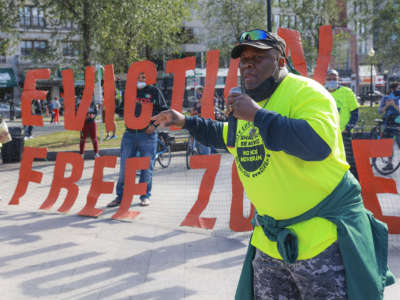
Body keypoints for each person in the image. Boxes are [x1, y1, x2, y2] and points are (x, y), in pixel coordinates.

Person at [152, 29, 394, 299]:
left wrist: (257, 115)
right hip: (270, 244)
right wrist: (184, 121)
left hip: (321, 241)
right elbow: (227, 136)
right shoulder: (248, 106)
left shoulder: (307, 93)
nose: (248, 64)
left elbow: (317, 145)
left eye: (258, 57)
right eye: (243, 59)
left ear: (280, 62)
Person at [107, 72, 168, 208]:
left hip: (147, 135)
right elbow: (121, 110)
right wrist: (114, 103)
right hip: (129, 135)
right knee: (124, 168)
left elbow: (164, 111)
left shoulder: (154, 91)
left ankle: (145, 196)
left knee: (146, 167)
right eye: (138, 77)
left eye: (144, 77)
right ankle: (120, 197)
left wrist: (154, 126)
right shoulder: (129, 92)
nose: (141, 79)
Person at [325, 69, 360, 179]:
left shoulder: (347, 92)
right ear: (325, 80)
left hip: (344, 134)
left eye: (334, 79)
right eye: (329, 79)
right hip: (327, 134)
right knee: (331, 161)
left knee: (349, 161)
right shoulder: (321, 92)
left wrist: (348, 128)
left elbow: (355, 112)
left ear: (338, 79)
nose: (331, 81)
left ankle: (355, 184)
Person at [378, 82, 400, 170]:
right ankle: (389, 163)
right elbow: (380, 111)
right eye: (398, 88)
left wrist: (394, 105)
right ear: (392, 89)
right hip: (387, 123)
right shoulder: (385, 98)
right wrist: (387, 105)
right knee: (388, 144)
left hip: (398, 123)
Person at [190, 86, 212, 155]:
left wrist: (198, 114)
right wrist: (194, 113)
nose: (198, 95)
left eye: (199, 93)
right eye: (197, 93)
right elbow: (192, 113)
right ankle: (192, 147)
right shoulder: (195, 104)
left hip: (204, 126)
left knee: (205, 148)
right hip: (197, 125)